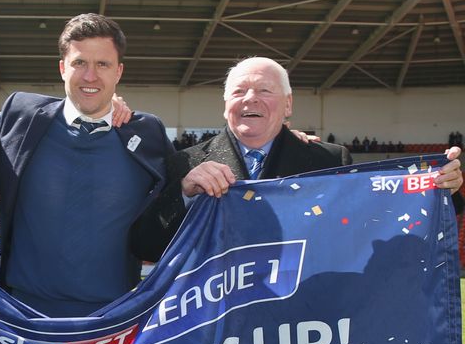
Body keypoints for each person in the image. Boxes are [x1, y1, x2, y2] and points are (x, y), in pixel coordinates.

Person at [131, 56, 464, 262]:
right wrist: (185, 194)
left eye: (264, 90)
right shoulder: (184, 165)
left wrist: (438, 189)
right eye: (239, 91)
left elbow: (372, 222)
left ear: (288, 105)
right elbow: (145, 246)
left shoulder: (329, 160)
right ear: (225, 104)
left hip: (301, 329)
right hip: (215, 334)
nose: (250, 99)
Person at [0, 13, 174, 317]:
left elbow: (183, 192)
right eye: (80, 63)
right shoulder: (21, 116)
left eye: (103, 65)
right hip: (23, 318)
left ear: (118, 72)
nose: (90, 76)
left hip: (114, 322)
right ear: (62, 68)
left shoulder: (147, 132)